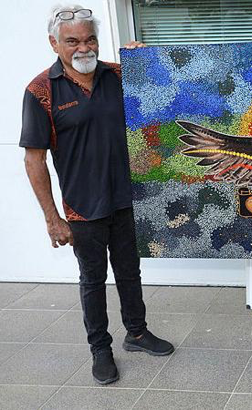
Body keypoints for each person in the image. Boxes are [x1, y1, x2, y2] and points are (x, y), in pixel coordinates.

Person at [20, 4, 174, 385]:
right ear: (55, 43)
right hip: (82, 207)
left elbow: (164, 95)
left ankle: (136, 333)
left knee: (129, 272)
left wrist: (146, 62)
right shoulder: (41, 91)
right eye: (72, 41)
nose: (83, 47)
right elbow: (34, 160)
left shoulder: (118, 76)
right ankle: (100, 350)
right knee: (92, 279)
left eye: (90, 39)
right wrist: (52, 218)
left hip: (126, 198)